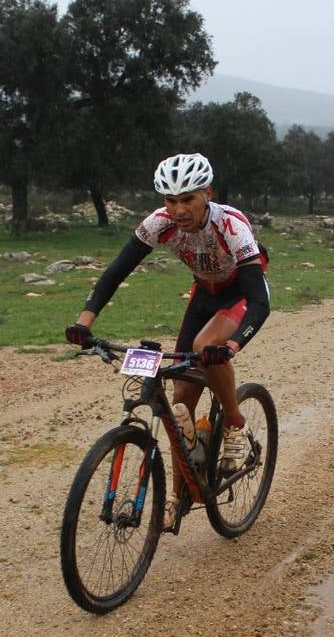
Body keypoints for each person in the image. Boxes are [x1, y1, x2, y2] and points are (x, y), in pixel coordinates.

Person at [65, 152, 270, 514]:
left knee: (205, 345)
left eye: (188, 199)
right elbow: (116, 272)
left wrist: (232, 346)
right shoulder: (159, 224)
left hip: (240, 294)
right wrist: (84, 324)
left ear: (207, 193)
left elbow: (258, 300)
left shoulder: (232, 226)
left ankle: (234, 425)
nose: (178, 210)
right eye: (170, 200)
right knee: (180, 404)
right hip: (204, 294)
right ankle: (179, 496)